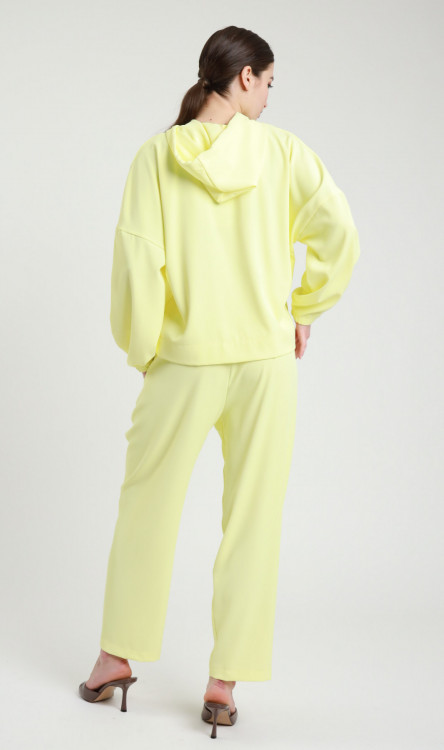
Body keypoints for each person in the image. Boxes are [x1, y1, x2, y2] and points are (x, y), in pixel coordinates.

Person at [79, 25, 360, 738]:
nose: (268, 96)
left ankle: (115, 658)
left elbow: (137, 262)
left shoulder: (156, 157)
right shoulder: (283, 152)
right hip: (266, 362)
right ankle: (223, 685)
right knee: (253, 520)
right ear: (244, 78)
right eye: (268, 82)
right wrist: (303, 309)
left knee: (146, 506)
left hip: (184, 360)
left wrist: (147, 349)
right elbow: (339, 232)